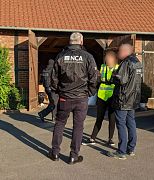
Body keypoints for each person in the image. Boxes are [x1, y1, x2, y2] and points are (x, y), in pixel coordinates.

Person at [48, 32, 98, 165]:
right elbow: (94, 77)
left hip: (65, 97)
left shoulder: (61, 56)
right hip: (81, 98)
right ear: (81, 42)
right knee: (78, 126)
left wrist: (58, 91)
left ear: (70, 42)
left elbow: (53, 78)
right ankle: (73, 156)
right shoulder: (88, 57)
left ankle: (55, 152)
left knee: (59, 123)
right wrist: (90, 92)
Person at [107, 44, 143, 160]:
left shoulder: (126, 62)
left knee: (121, 124)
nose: (118, 53)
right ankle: (131, 148)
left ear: (125, 51)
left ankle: (121, 151)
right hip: (133, 99)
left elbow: (120, 79)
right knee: (131, 123)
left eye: (119, 51)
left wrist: (113, 76)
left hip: (123, 98)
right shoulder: (137, 62)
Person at [82, 51, 119, 146]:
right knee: (99, 118)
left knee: (112, 118)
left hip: (112, 96)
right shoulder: (102, 67)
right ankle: (92, 138)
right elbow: (98, 79)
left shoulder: (118, 68)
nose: (107, 60)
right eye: (106, 58)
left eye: (109, 58)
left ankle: (110, 139)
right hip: (102, 96)